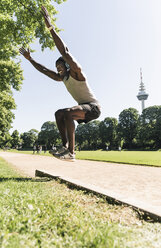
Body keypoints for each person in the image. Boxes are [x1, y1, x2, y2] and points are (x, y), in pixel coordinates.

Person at [19, 6, 101, 161]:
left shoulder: (77, 72)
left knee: (69, 112)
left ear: (68, 66)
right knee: (59, 114)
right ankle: (65, 147)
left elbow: (64, 52)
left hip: (93, 107)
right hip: (83, 108)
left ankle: (71, 152)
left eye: (60, 67)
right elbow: (44, 70)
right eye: (57, 68)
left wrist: (50, 27)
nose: (58, 70)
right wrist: (30, 60)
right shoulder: (61, 78)